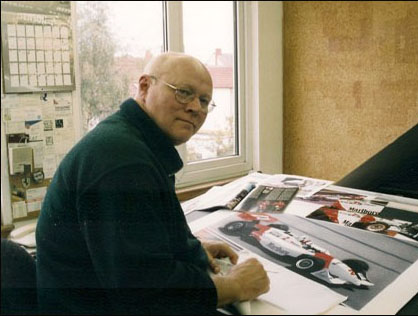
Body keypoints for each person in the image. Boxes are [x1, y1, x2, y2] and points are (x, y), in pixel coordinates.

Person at [36, 52, 270, 315]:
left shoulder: (130, 141)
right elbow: (144, 294)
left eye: (204, 101)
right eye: (184, 92)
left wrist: (188, 248)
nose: (196, 108)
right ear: (145, 87)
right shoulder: (122, 162)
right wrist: (234, 285)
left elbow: (134, 248)